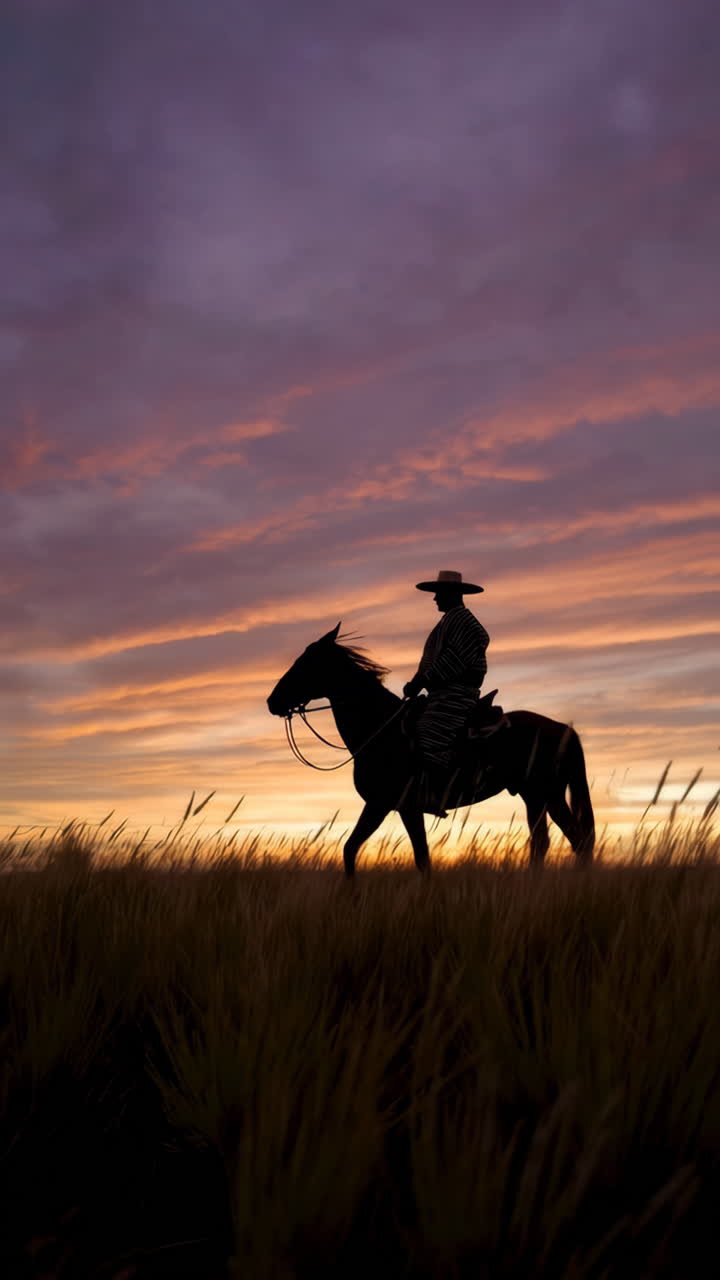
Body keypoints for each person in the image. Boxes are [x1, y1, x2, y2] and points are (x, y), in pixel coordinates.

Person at [403, 569, 489, 814]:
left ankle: (438, 792)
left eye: (438, 594)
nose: (435, 599)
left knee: (427, 731)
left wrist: (422, 680)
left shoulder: (463, 621)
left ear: (451, 594)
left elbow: (452, 660)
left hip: (456, 694)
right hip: (439, 692)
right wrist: (419, 681)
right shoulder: (451, 620)